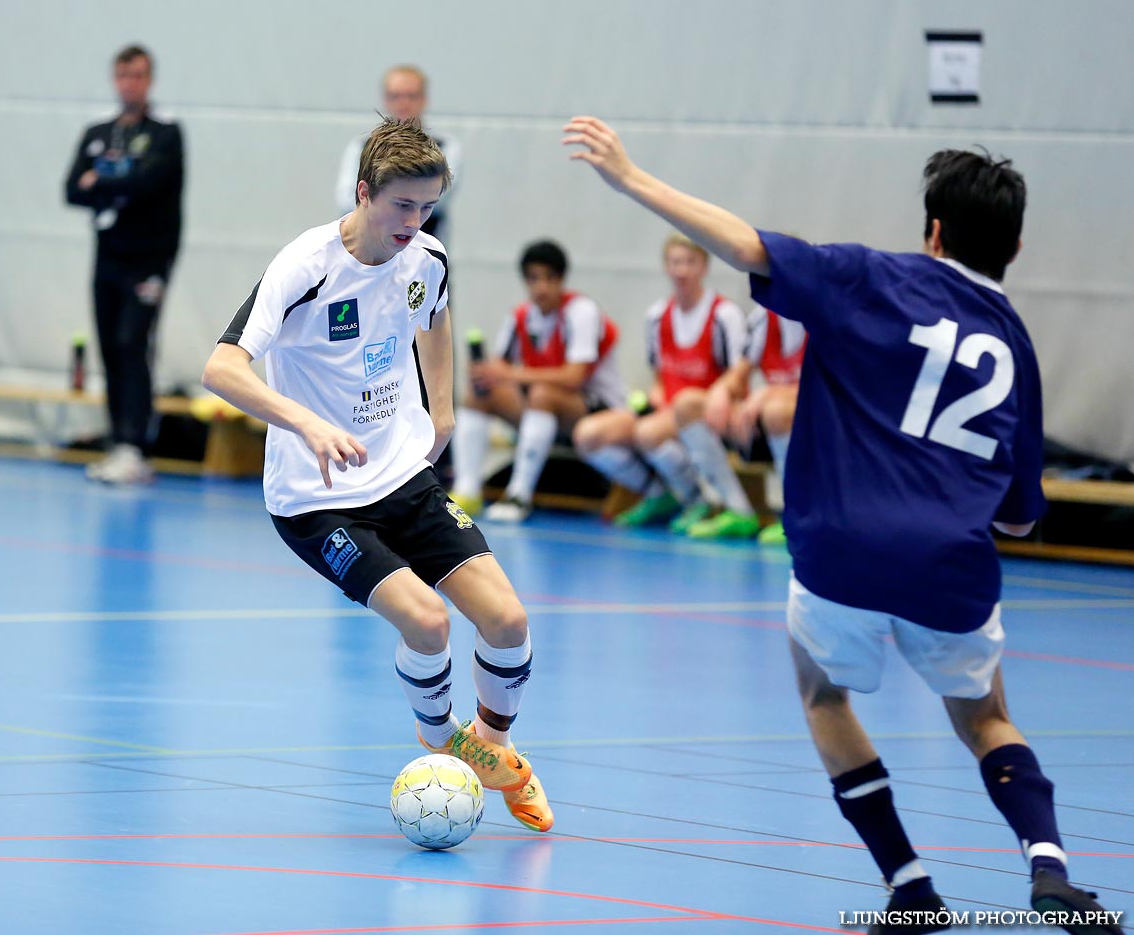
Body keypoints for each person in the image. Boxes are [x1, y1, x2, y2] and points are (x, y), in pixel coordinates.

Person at [564, 115, 1119, 934]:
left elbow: (747, 245)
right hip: (948, 562)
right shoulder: (1015, 344)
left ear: (933, 231)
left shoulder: (870, 278)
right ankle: (1051, 870)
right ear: (1015, 249)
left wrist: (633, 178)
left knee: (824, 695)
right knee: (986, 716)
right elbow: (1020, 510)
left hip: (841, 546)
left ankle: (912, 890)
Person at [204, 117, 551, 832]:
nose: (413, 222)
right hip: (316, 500)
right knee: (427, 623)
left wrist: (444, 409)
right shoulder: (305, 266)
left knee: (508, 619)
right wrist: (304, 421)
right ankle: (436, 738)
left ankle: (492, 745)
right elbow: (221, 367)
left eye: (427, 207)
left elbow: (436, 316)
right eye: (401, 205)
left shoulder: (425, 257)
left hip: (400, 475)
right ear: (364, 192)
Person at [571, 234, 758, 538]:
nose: (682, 270)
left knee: (651, 430)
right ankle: (658, 494)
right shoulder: (657, 316)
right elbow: (661, 375)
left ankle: (701, 502)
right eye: (675, 262)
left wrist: (714, 398)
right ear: (666, 267)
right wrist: (653, 397)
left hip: (708, 412)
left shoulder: (724, 315)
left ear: (704, 266)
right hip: (669, 410)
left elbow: (739, 373)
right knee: (588, 435)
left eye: (689, 262)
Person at [65, 44, 184, 484]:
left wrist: (104, 177)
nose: (129, 84)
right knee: (110, 346)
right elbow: (72, 189)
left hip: (149, 260)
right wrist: (116, 179)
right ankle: (117, 440)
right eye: (122, 76)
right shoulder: (99, 132)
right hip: (108, 257)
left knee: (134, 342)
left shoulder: (165, 134)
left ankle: (136, 446)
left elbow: (148, 181)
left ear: (148, 80)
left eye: (137, 76)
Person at [449, 239, 624, 523]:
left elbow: (574, 377)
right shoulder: (520, 316)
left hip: (595, 410)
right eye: (533, 279)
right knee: (480, 392)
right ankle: (467, 489)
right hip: (539, 411)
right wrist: (486, 374)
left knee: (543, 393)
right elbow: (501, 370)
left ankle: (519, 495)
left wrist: (510, 374)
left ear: (562, 280)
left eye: (549, 278)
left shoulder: (581, 311)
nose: (541, 287)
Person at [334, 66, 460, 242]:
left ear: (424, 99)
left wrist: (389, 199)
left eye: (411, 96)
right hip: (374, 246)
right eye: (396, 96)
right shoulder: (362, 146)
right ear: (385, 100)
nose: (403, 103)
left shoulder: (444, 146)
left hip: (426, 243)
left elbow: (439, 197)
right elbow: (346, 199)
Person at [731, 306, 806, 545]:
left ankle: (794, 513)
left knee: (775, 412)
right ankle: (736, 509)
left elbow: (833, 384)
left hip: (828, 417)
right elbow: (738, 375)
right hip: (773, 419)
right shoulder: (763, 316)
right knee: (705, 408)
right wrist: (721, 394)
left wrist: (769, 392)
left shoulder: (825, 309)